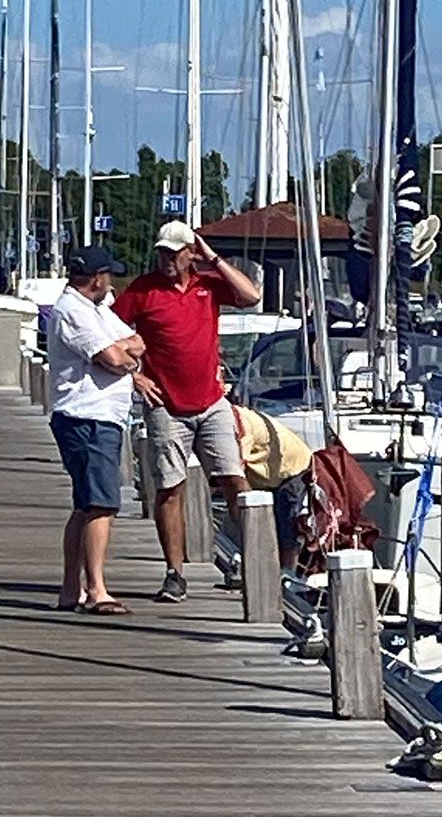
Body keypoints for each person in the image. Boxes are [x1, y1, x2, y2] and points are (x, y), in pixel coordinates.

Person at [113, 220, 261, 602]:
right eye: (161, 251)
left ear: (189, 253)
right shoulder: (143, 290)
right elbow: (107, 333)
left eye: (174, 252)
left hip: (211, 402)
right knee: (169, 488)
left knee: (234, 480)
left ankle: (251, 559)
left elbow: (251, 296)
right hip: (166, 405)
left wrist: (212, 257)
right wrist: (134, 376)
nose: (166, 259)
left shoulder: (208, 285)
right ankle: (174, 573)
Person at [47, 246, 145, 615]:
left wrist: (125, 351)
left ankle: (71, 588)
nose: (111, 282)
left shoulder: (98, 310)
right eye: (108, 276)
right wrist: (124, 354)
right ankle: (96, 589)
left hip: (100, 416)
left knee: (85, 505)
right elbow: (117, 358)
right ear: (97, 277)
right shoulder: (72, 311)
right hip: (87, 416)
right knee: (101, 504)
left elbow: (137, 342)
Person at [232, 405, 313, 571]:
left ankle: (287, 572)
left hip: (291, 468)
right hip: (266, 476)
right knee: (273, 525)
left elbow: (236, 464)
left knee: (287, 525)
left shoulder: (240, 423)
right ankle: (267, 568)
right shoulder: (233, 419)